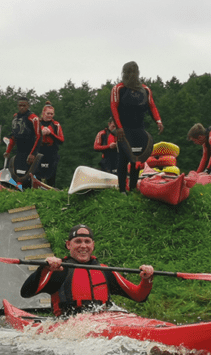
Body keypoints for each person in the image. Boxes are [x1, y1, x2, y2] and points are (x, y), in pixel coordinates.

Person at [20, 224, 154, 317]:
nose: (83, 246)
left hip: (103, 323)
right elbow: (26, 292)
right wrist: (44, 269)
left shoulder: (106, 271)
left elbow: (139, 296)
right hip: (69, 326)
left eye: (87, 241)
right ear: (68, 245)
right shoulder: (59, 270)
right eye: (78, 241)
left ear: (93, 245)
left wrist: (147, 279)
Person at [110, 61, 163, 193]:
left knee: (136, 159)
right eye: (130, 72)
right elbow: (113, 107)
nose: (132, 74)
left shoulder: (145, 90)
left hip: (139, 128)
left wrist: (158, 121)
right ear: (125, 73)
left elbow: (152, 106)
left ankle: (133, 189)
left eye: (134, 72)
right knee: (123, 158)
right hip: (124, 129)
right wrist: (119, 127)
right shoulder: (119, 89)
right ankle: (122, 190)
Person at [4, 97, 42, 185]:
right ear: (17, 106)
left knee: (28, 176)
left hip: (30, 151)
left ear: (28, 106)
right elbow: (13, 136)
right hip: (19, 151)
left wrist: (32, 153)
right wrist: (8, 151)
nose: (22, 107)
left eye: (24, 106)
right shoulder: (15, 117)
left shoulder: (34, 118)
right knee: (17, 174)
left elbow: (39, 137)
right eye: (20, 105)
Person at [35, 101, 64, 186]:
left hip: (52, 151)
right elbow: (31, 138)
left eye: (51, 114)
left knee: (51, 174)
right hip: (39, 151)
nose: (50, 116)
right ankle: (37, 190)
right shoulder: (37, 123)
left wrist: (51, 134)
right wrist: (41, 134)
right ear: (43, 113)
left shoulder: (56, 125)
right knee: (37, 173)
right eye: (48, 113)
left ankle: (51, 190)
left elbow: (61, 140)